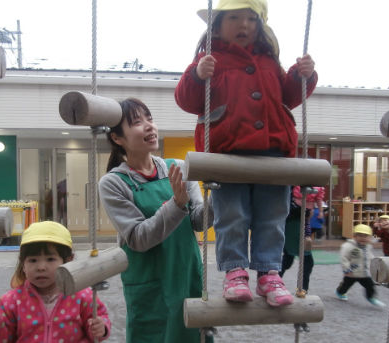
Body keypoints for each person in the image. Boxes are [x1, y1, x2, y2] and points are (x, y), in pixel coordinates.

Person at [174, 0, 317, 306]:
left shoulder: (269, 61)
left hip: (273, 153)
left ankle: (269, 273)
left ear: (260, 25)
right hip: (227, 154)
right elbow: (187, 100)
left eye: (251, 18)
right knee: (232, 216)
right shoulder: (210, 59)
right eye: (234, 17)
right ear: (217, 24)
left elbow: (288, 97)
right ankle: (235, 272)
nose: (244, 25)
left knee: (273, 216)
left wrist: (299, 76)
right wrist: (198, 75)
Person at [98, 98, 212, 343]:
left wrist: (221, 195)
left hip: (187, 273)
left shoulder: (180, 168)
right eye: (137, 122)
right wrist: (176, 205)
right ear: (118, 139)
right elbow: (138, 238)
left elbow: (199, 222)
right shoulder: (113, 183)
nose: (149, 126)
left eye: (150, 119)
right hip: (149, 283)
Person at [0, 221, 111, 342]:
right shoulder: (12, 301)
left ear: (68, 261)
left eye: (50, 259)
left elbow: (99, 319)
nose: (41, 267)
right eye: (33, 260)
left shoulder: (82, 295)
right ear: (23, 264)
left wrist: (101, 327)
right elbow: (2, 339)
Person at [279, 187, 315, 333]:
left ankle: (300, 289)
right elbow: (287, 210)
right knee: (295, 260)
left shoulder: (302, 189)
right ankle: (299, 289)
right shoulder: (289, 191)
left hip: (297, 226)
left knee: (293, 260)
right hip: (292, 227)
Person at [335, 224, 385, 307]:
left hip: (363, 273)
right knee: (345, 285)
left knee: (370, 286)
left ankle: (371, 297)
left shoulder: (368, 246)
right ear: (354, 236)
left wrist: (375, 262)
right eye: (360, 236)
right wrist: (346, 269)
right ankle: (340, 292)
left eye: (366, 236)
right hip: (351, 273)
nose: (363, 238)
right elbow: (344, 258)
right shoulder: (348, 246)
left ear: (369, 237)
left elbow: (369, 256)